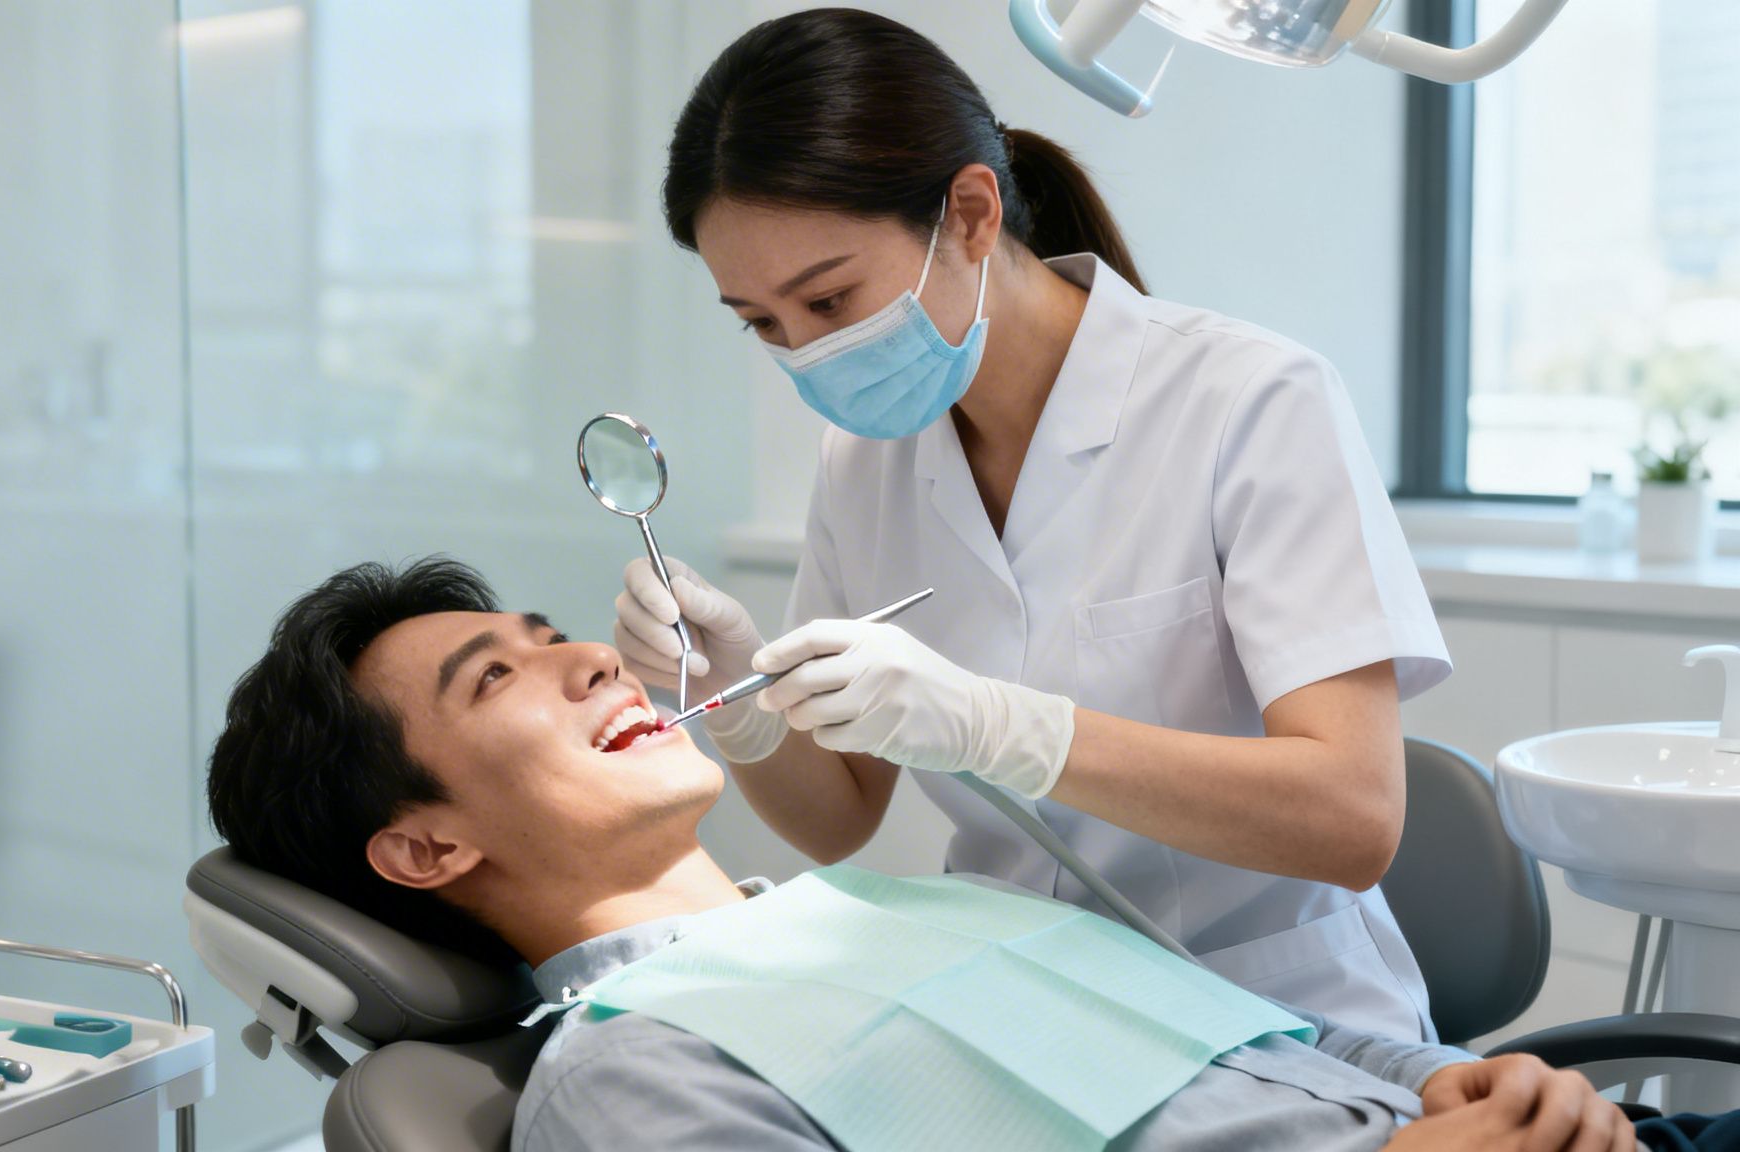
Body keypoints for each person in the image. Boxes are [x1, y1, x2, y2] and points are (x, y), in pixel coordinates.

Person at [613, 7, 1452, 1041]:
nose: (804, 356)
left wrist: (1006, 728)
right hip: (1026, 1016)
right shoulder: (866, 462)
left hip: (1281, 1014)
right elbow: (836, 817)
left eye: (827, 302)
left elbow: (1350, 819)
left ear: (970, 213)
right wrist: (732, 697)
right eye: (761, 324)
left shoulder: (1249, 400)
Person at [204, 558, 1663, 1152]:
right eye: (497, 678)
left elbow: (1253, 1057)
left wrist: (1464, 1086)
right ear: (425, 846)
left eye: (551, 633)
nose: (594, 657)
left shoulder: (910, 906)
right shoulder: (631, 1079)